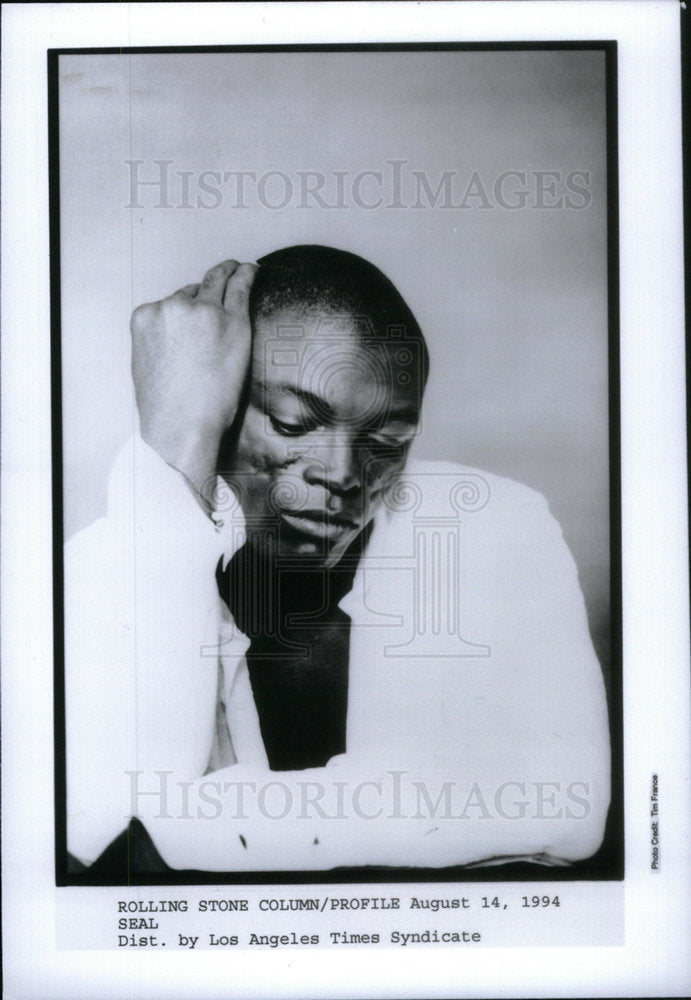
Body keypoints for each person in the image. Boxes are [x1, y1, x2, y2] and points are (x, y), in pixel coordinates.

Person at [65, 245, 611, 873]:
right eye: (294, 425)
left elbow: (567, 810)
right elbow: (100, 834)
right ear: (219, 406)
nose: (344, 474)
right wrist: (173, 448)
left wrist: (195, 826)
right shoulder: (114, 562)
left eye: (387, 443)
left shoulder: (489, 527)